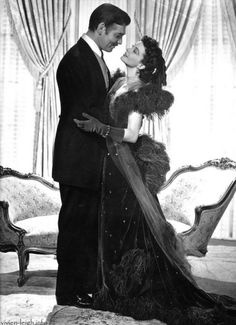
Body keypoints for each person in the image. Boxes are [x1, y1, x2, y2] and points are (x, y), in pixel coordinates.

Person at [74, 36, 236, 324]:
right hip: (110, 165)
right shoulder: (119, 82)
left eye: (135, 50)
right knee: (111, 227)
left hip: (125, 169)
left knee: (129, 227)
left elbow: (132, 135)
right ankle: (109, 286)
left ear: (144, 63)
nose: (128, 50)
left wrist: (100, 128)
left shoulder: (140, 92)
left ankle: (130, 289)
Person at [52, 3, 131, 308]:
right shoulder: (75, 59)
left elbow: (98, 103)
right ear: (100, 28)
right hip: (76, 159)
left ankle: (83, 287)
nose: (119, 42)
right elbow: (85, 113)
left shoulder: (94, 57)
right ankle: (68, 293)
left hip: (87, 159)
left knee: (85, 228)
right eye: (117, 35)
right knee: (74, 228)